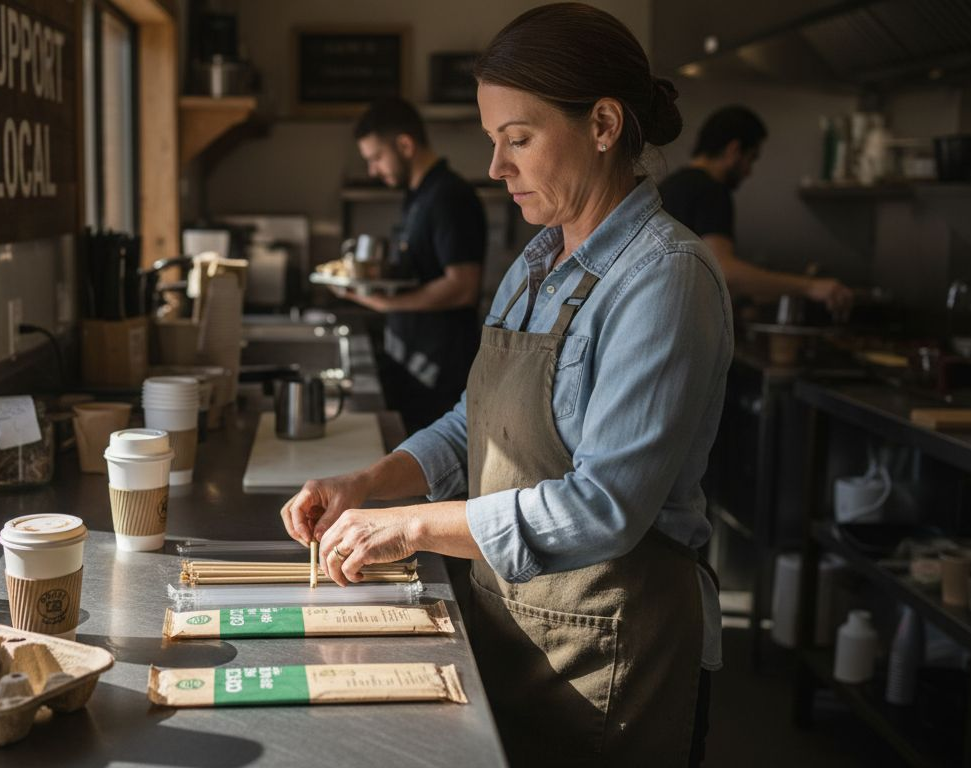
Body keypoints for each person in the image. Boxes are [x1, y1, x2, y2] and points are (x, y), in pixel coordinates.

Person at [281, 4, 727, 765]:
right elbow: (471, 424)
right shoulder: (535, 262)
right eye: (494, 142)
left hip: (610, 655)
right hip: (511, 624)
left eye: (517, 139)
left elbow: (605, 506)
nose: (496, 167)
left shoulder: (665, 279)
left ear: (604, 124)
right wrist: (370, 483)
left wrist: (413, 527)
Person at [341, 98, 486, 434]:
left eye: (376, 158)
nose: (372, 171)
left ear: (405, 144)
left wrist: (386, 303)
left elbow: (463, 286)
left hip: (438, 373)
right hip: (409, 362)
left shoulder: (449, 196)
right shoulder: (417, 196)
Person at [660, 106, 853, 317]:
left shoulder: (671, 185)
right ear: (734, 150)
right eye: (751, 158)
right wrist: (810, 287)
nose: (749, 171)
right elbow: (725, 272)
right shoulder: (712, 191)